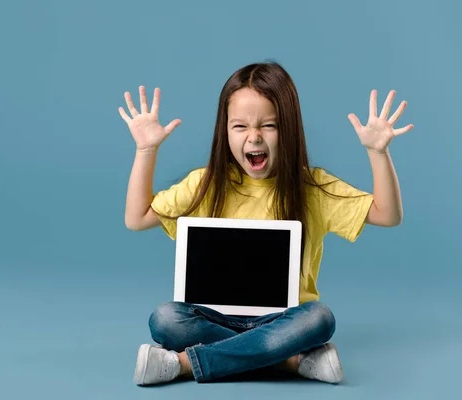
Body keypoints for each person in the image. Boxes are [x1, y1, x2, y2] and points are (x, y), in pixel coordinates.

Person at [118, 62, 413, 386]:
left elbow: (388, 214)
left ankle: (186, 364)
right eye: (240, 126)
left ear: (288, 128)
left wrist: (377, 152)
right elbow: (137, 218)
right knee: (166, 319)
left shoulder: (312, 188)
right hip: (217, 318)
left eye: (268, 125)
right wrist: (146, 150)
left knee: (319, 318)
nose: (254, 136)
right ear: (224, 130)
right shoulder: (206, 184)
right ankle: (288, 361)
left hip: (286, 320)